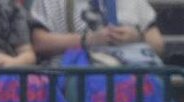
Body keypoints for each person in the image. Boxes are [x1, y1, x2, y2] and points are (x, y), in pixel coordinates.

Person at [28, 0, 164, 63]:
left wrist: (137, 37)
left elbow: (158, 44)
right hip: (78, 77)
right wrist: (87, 40)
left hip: (133, 73)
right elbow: (39, 43)